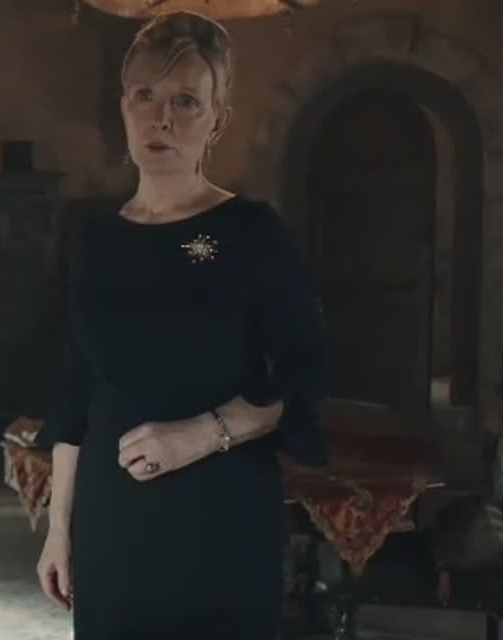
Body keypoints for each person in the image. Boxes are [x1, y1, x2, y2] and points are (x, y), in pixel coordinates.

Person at [35, 12, 328, 639]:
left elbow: (301, 371)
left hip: (220, 518)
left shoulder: (253, 232)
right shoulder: (94, 239)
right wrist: (58, 530)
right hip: (112, 524)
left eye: (186, 101)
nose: (161, 118)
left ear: (218, 120)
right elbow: (75, 391)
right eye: (145, 95)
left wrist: (202, 433)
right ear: (124, 107)